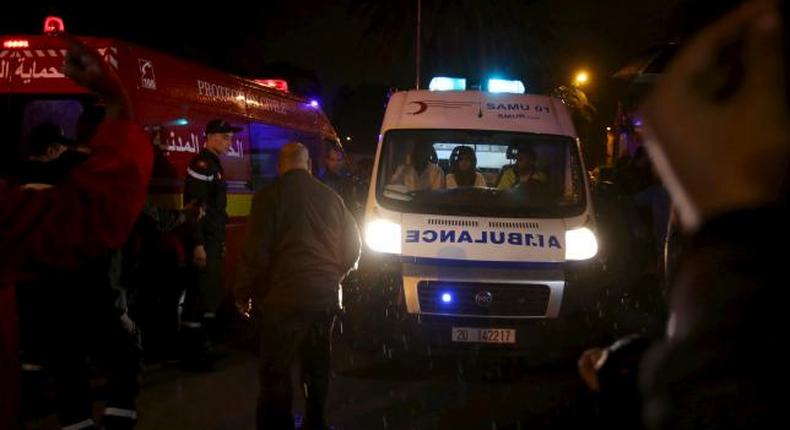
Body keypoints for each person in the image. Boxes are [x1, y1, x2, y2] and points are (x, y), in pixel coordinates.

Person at [0, 35, 153, 430]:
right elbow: (107, 199)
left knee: (67, 365)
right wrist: (118, 101)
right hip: (87, 297)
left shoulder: (18, 193)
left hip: (46, 315)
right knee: (112, 352)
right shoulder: (57, 200)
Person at [234, 141, 361, 430]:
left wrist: (243, 292)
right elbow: (354, 247)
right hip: (324, 299)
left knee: (276, 370)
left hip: (284, 298)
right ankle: (316, 421)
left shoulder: (269, 197)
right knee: (316, 368)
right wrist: (334, 275)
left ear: (281, 166)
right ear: (309, 165)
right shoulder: (331, 198)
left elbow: (256, 252)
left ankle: (278, 424)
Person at [180, 118, 240, 365]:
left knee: (209, 291)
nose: (230, 142)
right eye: (225, 137)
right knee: (199, 291)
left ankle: (203, 343)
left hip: (212, 239)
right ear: (212, 137)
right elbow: (195, 208)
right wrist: (198, 244)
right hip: (203, 240)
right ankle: (192, 351)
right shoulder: (202, 164)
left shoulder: (214, 165)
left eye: (230, 137)